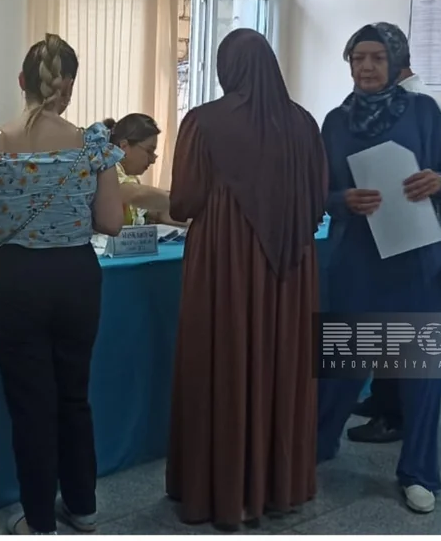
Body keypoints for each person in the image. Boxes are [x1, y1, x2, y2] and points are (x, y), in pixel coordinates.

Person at [0, 33, 124, 535]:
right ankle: (83, 506)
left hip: (15, 280)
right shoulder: (93, 145)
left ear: (21, 81)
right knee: (74, 394)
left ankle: (40, 519)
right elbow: (112, 222)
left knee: (30, 404)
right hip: (76, 278)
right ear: (67, 87)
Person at [165, 28, 326, 531]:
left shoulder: (203, 122)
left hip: (225, 261)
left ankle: (222, 490)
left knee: (224, 359)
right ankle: (279, 487)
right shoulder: (304, 124)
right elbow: (318, 199)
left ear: (226, 68)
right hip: (291, 268)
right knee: (282, 362)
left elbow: (183, 201)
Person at [317, 22, 441, 514]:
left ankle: (419, 474)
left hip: (417, 262)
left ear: (396, 62)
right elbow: (317, 192)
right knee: (342, 366)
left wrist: (438, 182)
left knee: (421, 376)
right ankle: (317, 446)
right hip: (356, 261)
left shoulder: (423, 112)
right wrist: (342, 199)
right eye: (357, 57)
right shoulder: (335, 122)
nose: (365, 67)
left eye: (376, 57)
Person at [352, 61, 441, 444]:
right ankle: (382, 400)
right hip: (393, 228)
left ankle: (393, 415)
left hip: (407, 231)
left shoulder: (415, 105)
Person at [103, 114, 186, 227]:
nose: (153, 160)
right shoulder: (106, 167)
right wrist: (178, 200)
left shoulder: (130, 178)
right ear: (124, 146)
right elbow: (134, 194)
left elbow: (152, 211)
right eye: (149, 151)